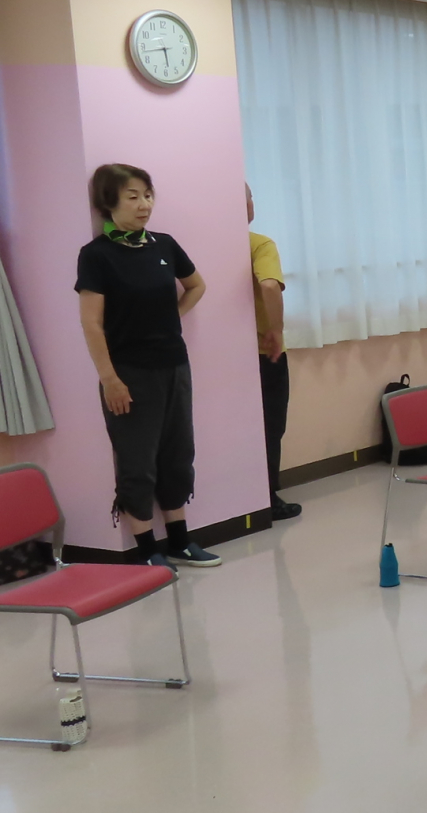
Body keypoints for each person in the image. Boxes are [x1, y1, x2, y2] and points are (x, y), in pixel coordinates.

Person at [75, 164, 219, 567]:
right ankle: (146, 552)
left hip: (174, 365)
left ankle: (179, 542)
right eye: (133, 196)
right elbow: (91, 323)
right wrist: (109, 379)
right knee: (137, 461)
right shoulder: (97, 255)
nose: (144, 204)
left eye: (148, 195)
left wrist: (173, 316)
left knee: (178, 454)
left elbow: (197, 285)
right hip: (128, 374)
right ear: (109, 202)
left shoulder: (164, 245)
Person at [249, 186, 300, 521]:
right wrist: (276, 330)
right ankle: (267, 498)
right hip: (262, 352)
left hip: (220, 356)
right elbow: (268, 285)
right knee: (270, 425)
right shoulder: (259, 244)